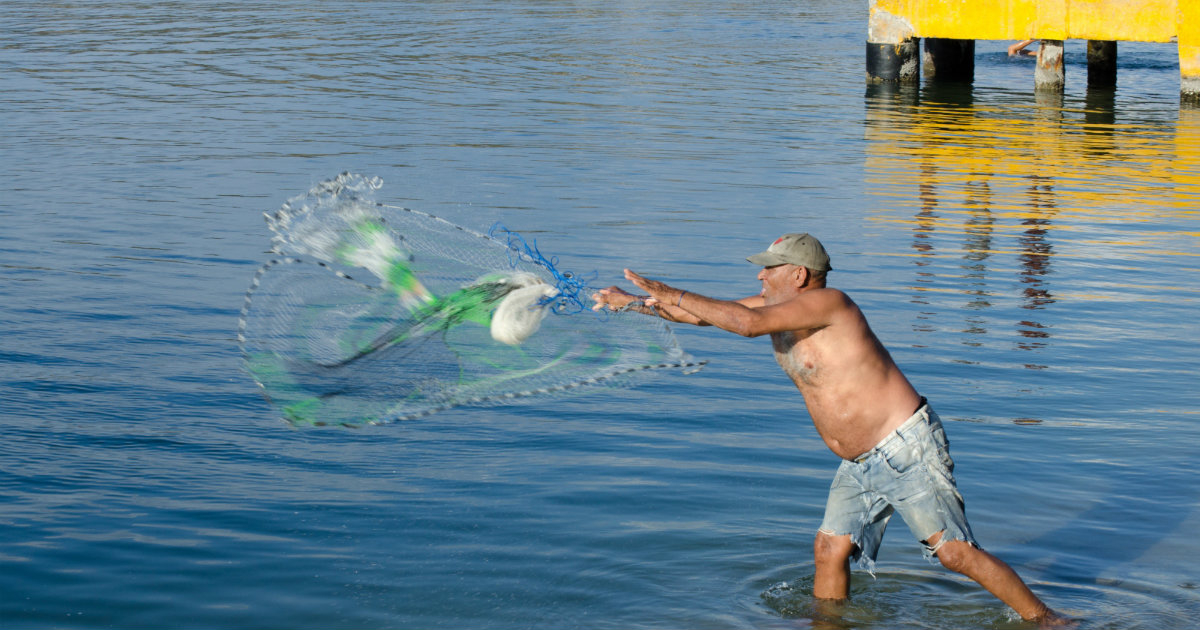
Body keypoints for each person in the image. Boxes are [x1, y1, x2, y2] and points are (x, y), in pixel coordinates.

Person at [590, 233, 1072, 626]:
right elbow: (700, 315)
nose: (759, 274)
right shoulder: (774, 309)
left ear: (798, 275)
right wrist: (631, 303)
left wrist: (667, 287)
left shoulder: (830, 303)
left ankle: (1048, 621)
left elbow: (743, 324)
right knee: (829, 548)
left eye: (769, 267)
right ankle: (829, 625)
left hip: (904, 446)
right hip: (859, 459)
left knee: (955, 556)